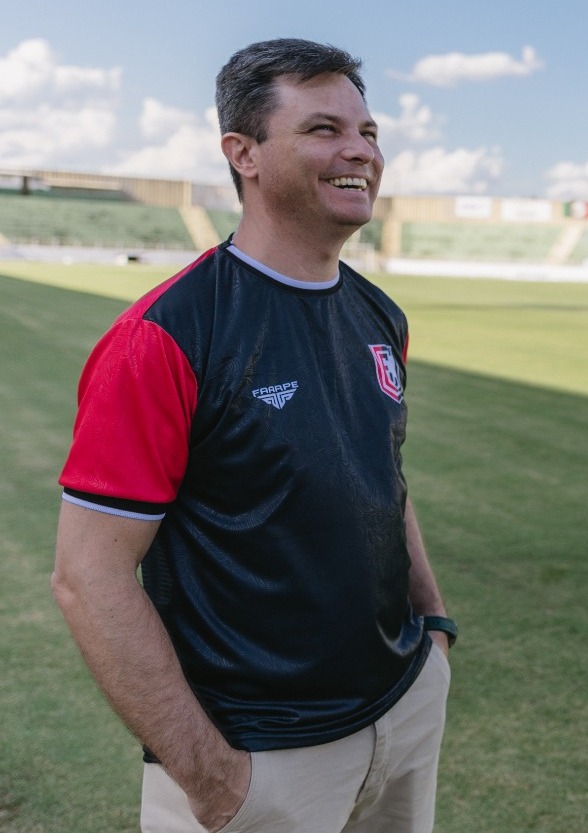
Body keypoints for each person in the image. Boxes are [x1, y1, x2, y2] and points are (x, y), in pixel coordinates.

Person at [51, 38, 456, 833]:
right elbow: (87, 576)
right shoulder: (164, 337)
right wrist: (210, 777)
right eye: (322, 129)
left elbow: (383, 480)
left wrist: (434, 627)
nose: (358, 151)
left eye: (368, 133)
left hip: (403, 708)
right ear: (244, 154)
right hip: (259, 758)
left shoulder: (379, 314)